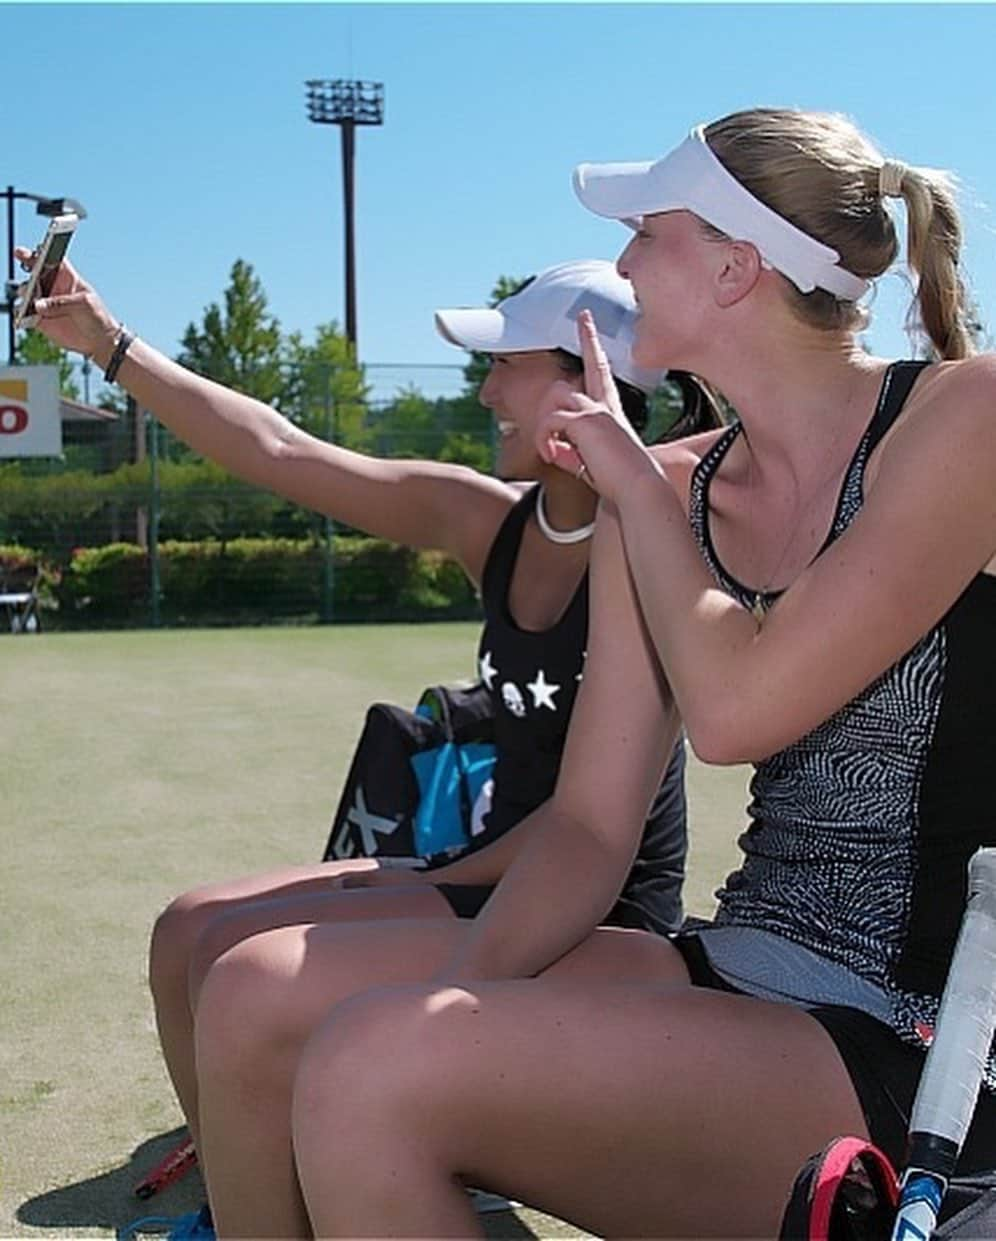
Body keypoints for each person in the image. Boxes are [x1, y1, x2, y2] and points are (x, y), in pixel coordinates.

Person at [251, 106, 996, 1240]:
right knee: (279, 999)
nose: (629, 259)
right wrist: (461, 987)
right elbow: (593, 828)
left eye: (651, 230)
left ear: (740, 267)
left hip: (920, 1040)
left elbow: (739, 707)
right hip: (734, 965)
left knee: (369, 1069)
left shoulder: (965, 412)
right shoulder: (673, 483)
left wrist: (634, 490)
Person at [24, 253, 720, 1233]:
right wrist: (114, 347)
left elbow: (593, 832)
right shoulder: (492, 521)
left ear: (581, 381)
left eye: (503, 365)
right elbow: (282, 451)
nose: (485, 390)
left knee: (243, 972)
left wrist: (420, 876)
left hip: (592, 914)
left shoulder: (651, 541)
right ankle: (248, 1188)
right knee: (189, 926)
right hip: (486, 870)